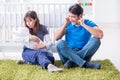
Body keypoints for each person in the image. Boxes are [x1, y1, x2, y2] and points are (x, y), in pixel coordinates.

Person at [54, 4, 103, 69]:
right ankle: (85, 64)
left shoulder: (88, 23)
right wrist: (65, 24)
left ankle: (72, 61)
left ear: (80, 16)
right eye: (69, 16)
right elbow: (56, 38)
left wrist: (84, 25)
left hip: (83, 53)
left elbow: (100, 35)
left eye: (73, 17)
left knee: (96, 40)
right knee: (59, 43)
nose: (70, 19)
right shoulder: (68, 24)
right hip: (68, 54)